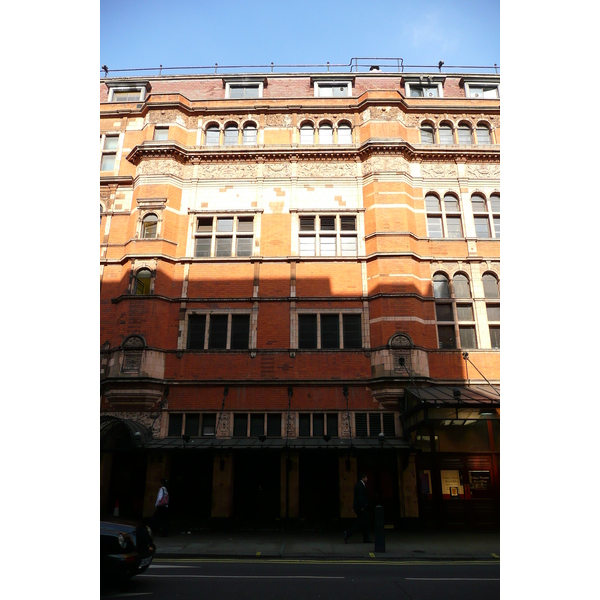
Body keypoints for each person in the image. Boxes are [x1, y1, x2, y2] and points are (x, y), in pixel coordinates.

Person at [344, 473, 371, 543]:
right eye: (366, 477)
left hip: (360, 507)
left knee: (364, 522)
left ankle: (365, 538)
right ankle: (348, 533)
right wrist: (362, 507)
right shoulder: (360, 485)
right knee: (361, 522)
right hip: (360, 507)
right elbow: (360, 497)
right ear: (363, 478)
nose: (367, 479)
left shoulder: (360, 485)